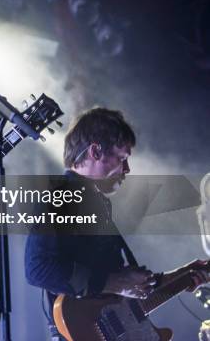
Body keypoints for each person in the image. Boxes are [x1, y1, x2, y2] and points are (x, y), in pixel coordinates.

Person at [25, 107, 206, 340]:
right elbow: (37, 270)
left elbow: (120, 292)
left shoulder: (96, 201)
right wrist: (117, 283)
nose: (127, 169)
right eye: (122, 158)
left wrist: (182, 276)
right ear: (95, 151)